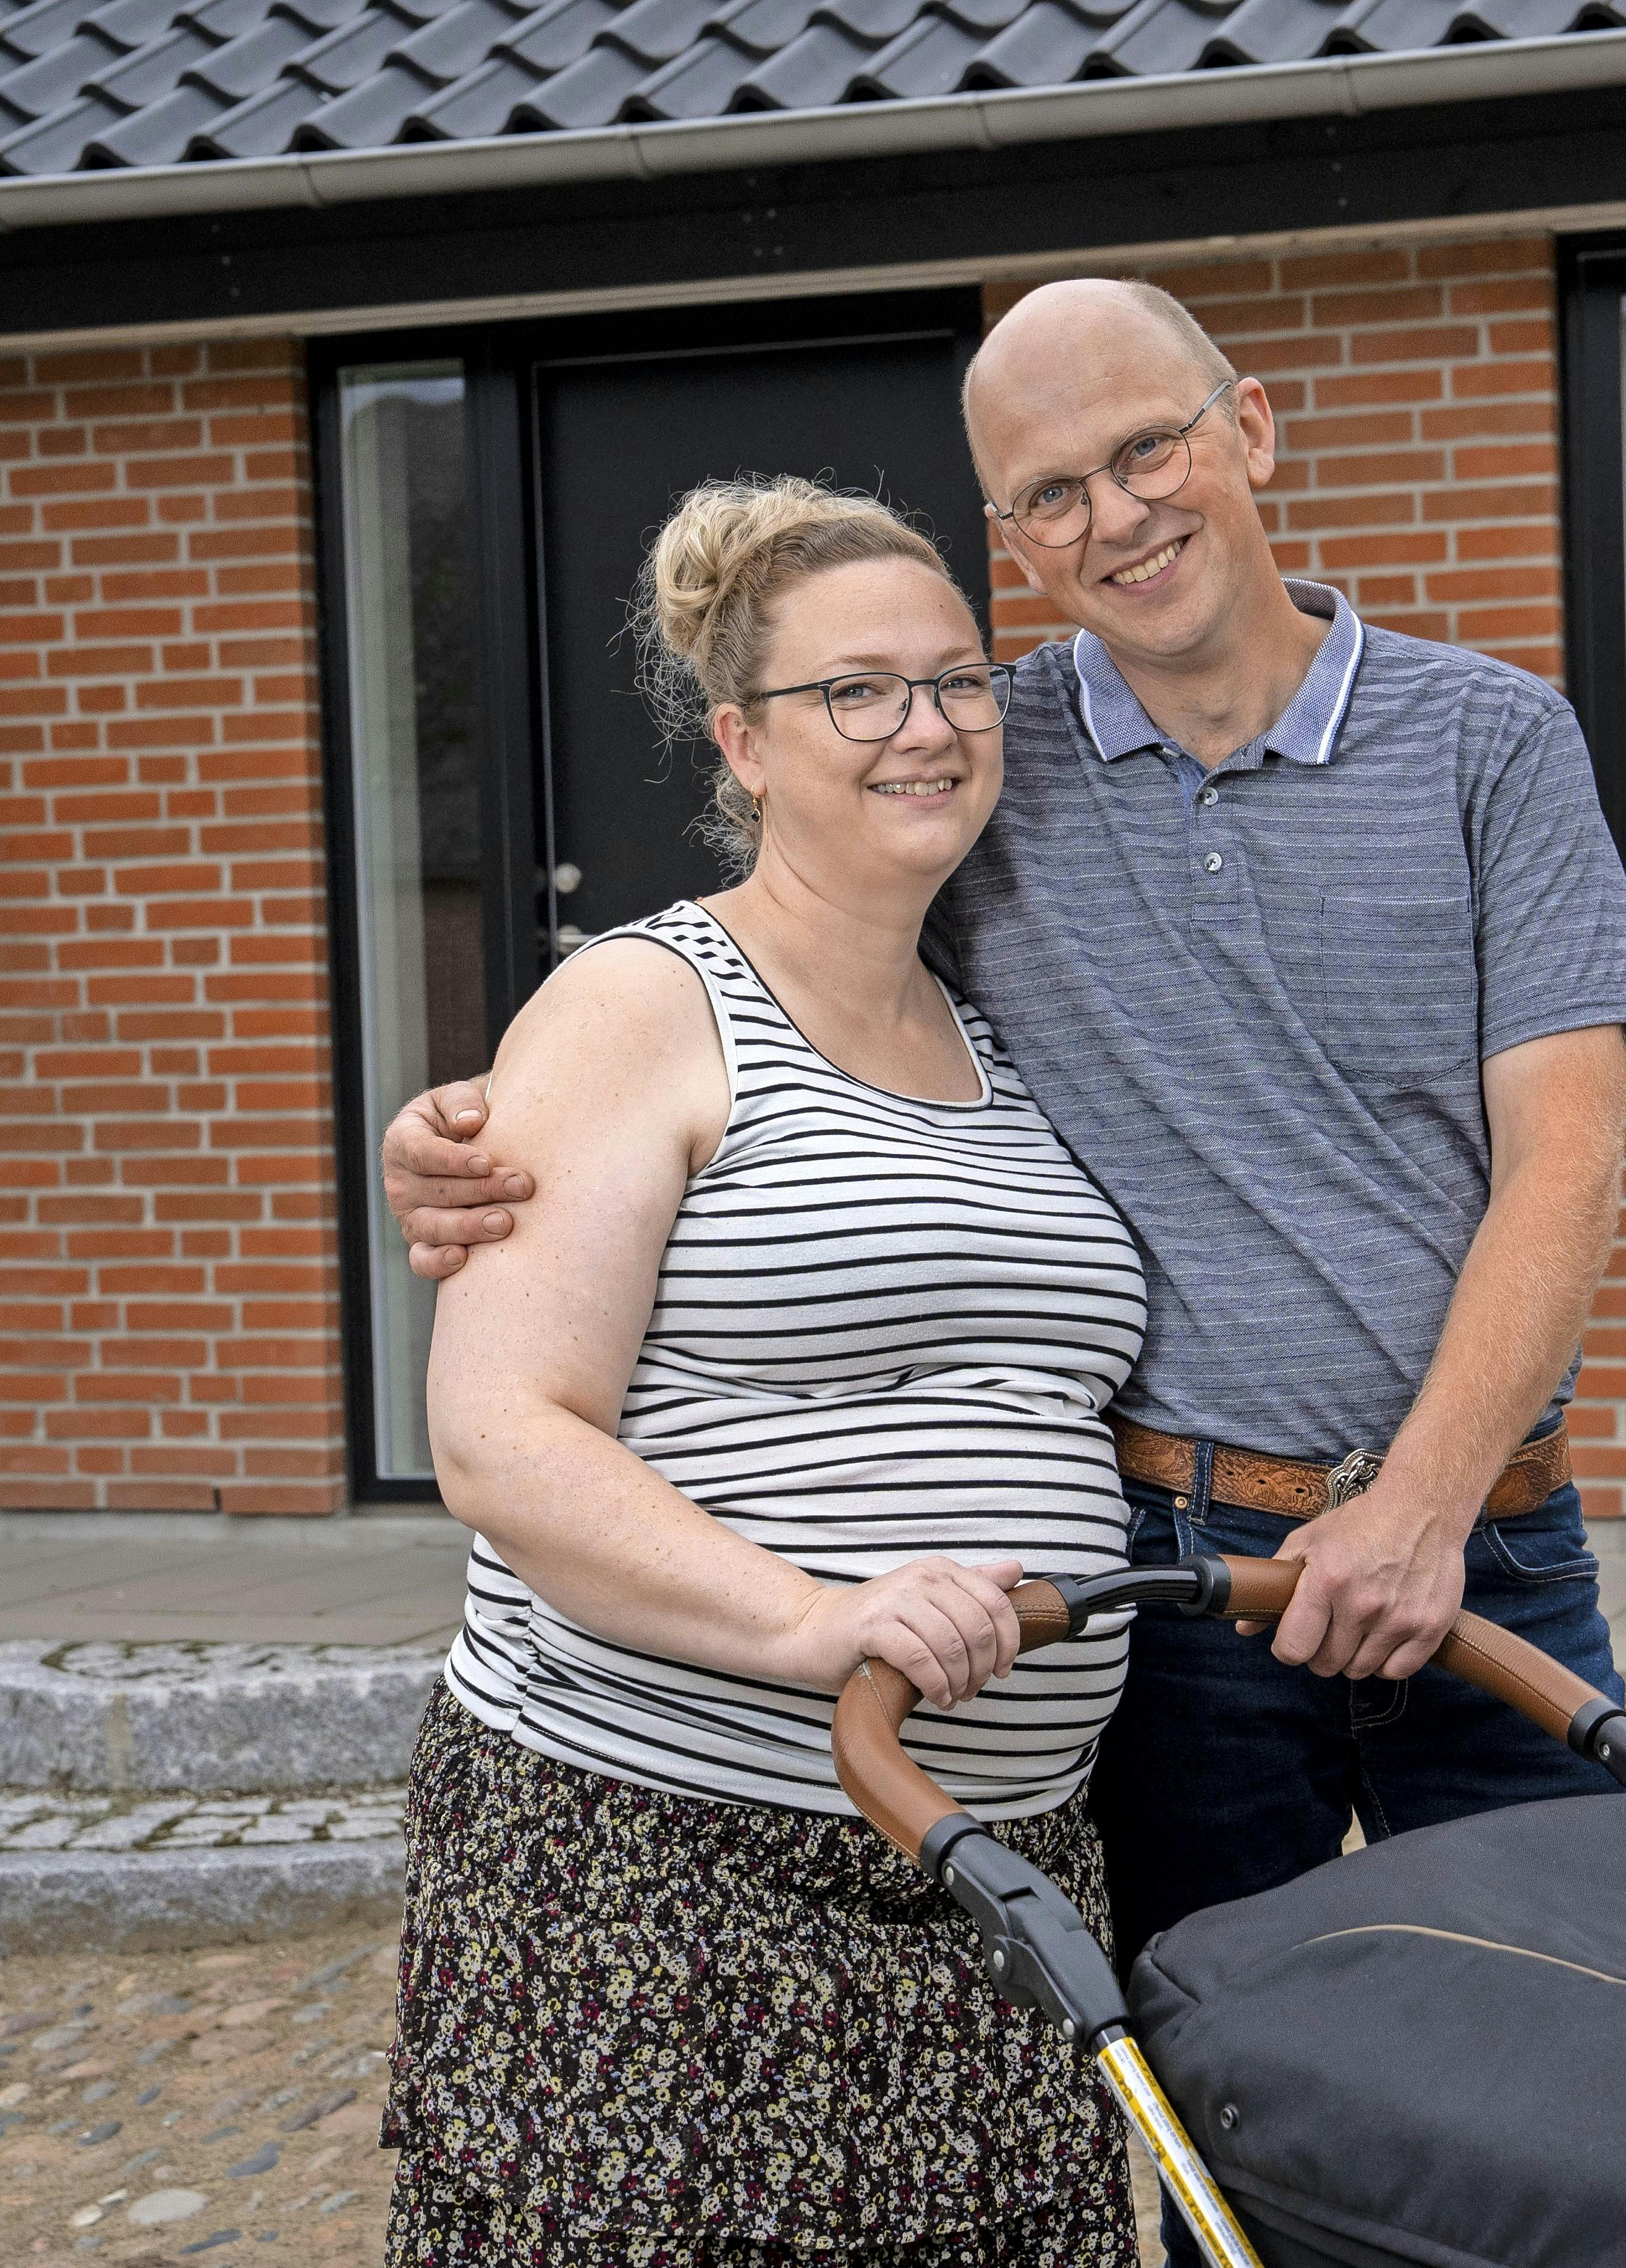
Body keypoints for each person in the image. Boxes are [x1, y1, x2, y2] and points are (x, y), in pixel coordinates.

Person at [382, 279, 1626, 1986]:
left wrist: (1423, 1507)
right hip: (1175, 1581)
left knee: (1580, 2053)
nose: (1118, 517)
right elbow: (766, 941)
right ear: (1017, 538)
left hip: (1481, 1538)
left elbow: (1564, 1164)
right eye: (1051, 495)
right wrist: (490, 1120)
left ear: (1252, 432)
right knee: (1224, 2082)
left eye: (1149, 449)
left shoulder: (1490, 741)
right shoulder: (986, 749)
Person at [386, 475, 1148, 2266]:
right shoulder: (642, 1006)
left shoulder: (998, 1027)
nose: (928, 727)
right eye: (855, 692)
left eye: (960, 681)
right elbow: (500, 1434)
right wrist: (813, 1621)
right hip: (665, 1873)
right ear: (742, 741)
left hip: (984, 1885)